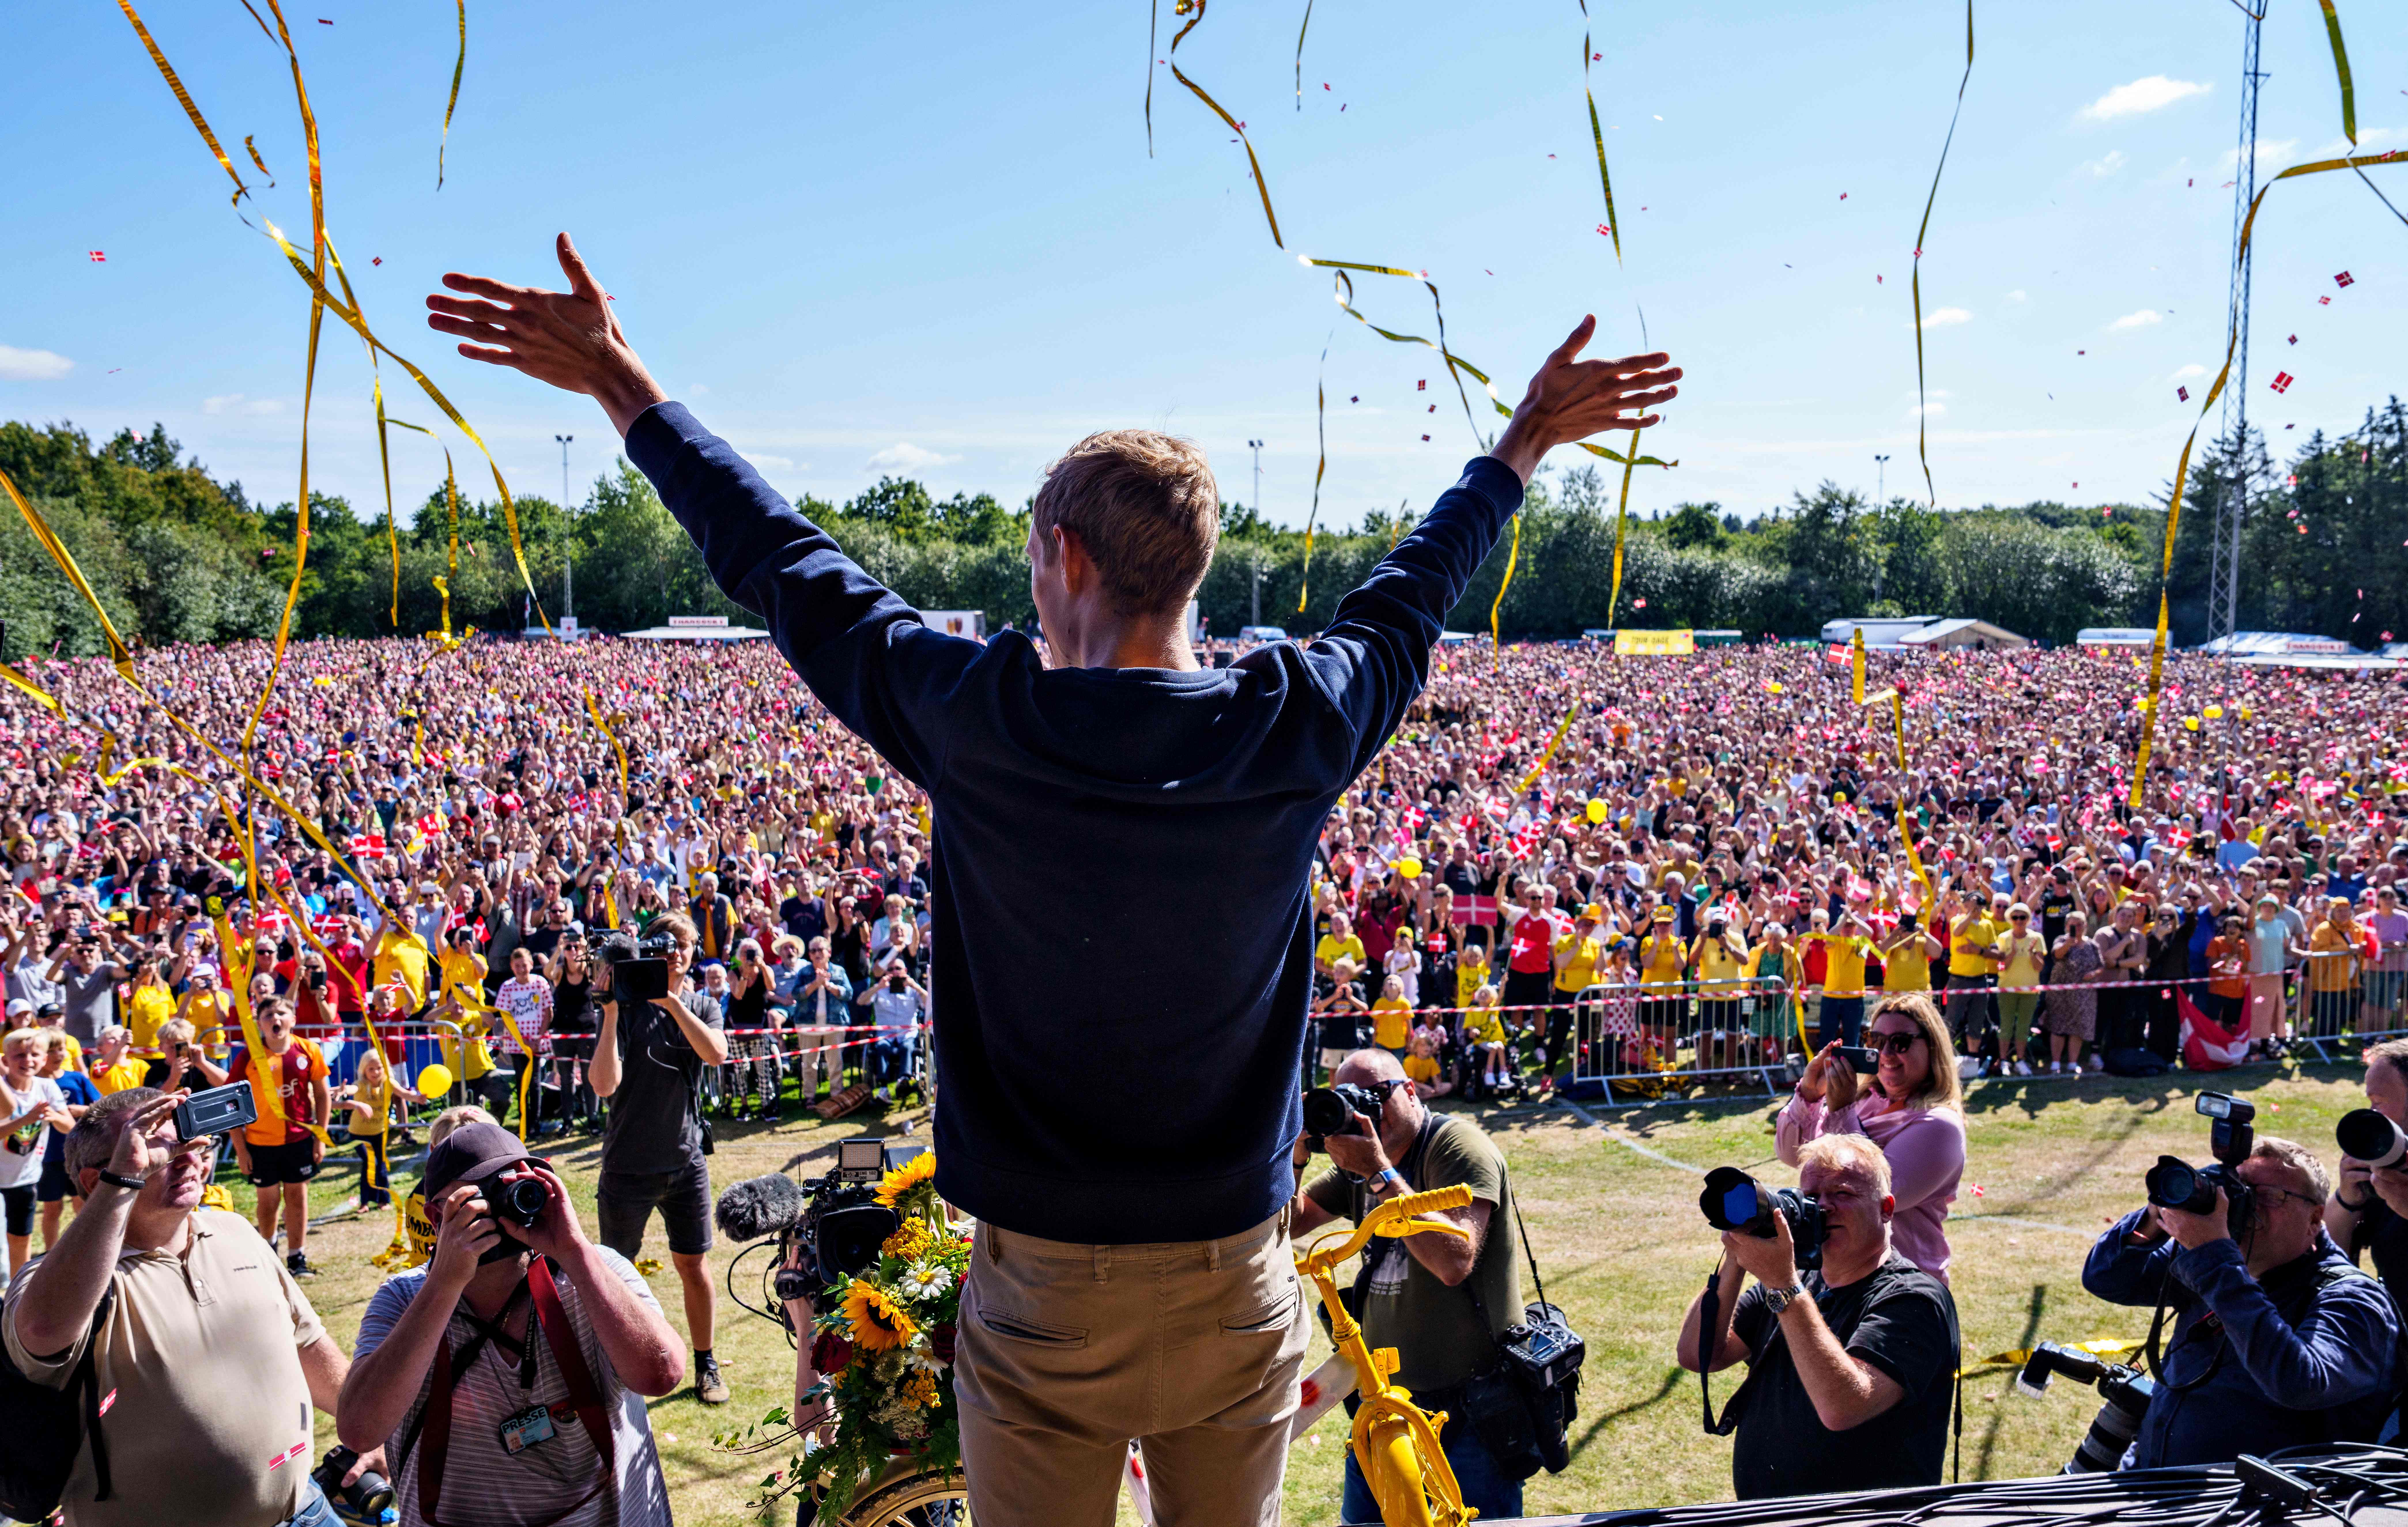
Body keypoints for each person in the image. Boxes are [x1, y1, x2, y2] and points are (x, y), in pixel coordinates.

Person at [425, 232, 1674, 1525]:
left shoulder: (984, 720)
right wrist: (1518, 443)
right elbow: (1410, 594)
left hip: (1042, 1286)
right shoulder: (1292, 719)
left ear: (1067, 557)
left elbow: (781, 562)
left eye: (1031, 556)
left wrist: (624, 384)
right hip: (1233, 1278)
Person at [3, 1087, 385, 1526]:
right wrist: (123, 1178)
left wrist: (369, 1432)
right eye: (155, 1148)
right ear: (97, 1181)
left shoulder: (234, 1231)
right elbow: (42, 1331)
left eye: (186, 1143)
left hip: (306, 1511)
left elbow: (306, 1344)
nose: (185, 1158)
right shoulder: (57, 1280)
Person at [335, 1120, 681, 1526]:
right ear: (436, 1216)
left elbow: (662, 1376)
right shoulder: (404, 1299)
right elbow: (359, 1430)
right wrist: (445, 1283)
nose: (506, 1207)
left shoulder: (594, 1271)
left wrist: (575, 1250)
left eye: (515, 1187)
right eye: (482, 1197)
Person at [1291, 1049, 1531, 1523]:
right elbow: (1290, 1222)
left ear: (1410, 1089)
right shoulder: (1360, 1162)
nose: (1363, 1113)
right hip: (1386, 1405)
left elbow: (1453, 1261)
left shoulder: (1457, 1148)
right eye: (1346, 1099)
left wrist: (1380, 1173)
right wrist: (1296, 1153)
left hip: (1471, 1410)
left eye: (1374, 1096)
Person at [2088, 1124, 2403, 1464]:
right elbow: (2106, 1277)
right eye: (2239, 1191)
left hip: (2253, 1509)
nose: (2244, 1206)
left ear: (2315, 1217)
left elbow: (2300, 1382)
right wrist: (2155, 1216)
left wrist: (2217, 1261)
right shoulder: (2213, 1262)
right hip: (2151, 1483)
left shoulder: (2353, 1300)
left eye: (2267, 1196)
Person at [1676, 1133, 1960, 1499]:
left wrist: (1783, 1284)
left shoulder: (1915, 1299)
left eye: (1842, 1194)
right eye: (1810, 1197)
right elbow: (1699, 1354)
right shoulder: (1798, 1283)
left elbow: (1842, 1407)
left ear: (1886, 1208)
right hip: (1770, 1514)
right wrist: (1739, 1252)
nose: (1823, 1208)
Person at [588, 911, 730, 1406]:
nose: (676, 952)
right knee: (616, 1273)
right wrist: (609, 1012)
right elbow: (604, 1085)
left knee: (694, 1266)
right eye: (666, 944)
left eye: (685, 944)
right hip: (627, 1165)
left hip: (685, 1160)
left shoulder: (701, 1003)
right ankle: (618, 1366)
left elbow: (715, 1054)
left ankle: (707, 1365)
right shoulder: (625, 1009)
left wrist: (671, 1002)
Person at [1777, 995, 1966, 1280]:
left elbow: (1873, 1195)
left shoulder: (1940, 1125)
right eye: (1876, 1040)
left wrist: (1841, 1111)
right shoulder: (1864, 1101)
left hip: (1904, 1283)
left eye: (1900, 1042)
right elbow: (1792, 1154)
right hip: (1838, 1276)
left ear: (1931, 1046)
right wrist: (1810, 1095)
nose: (1886, 1053)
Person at [228, 997, 333, 1281]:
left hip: (299, 1140)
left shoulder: (308, 1050)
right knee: (268, 1202)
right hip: (260, 1143)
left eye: (282, 1013)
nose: (276, 1019)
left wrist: (320, 1136)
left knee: (297, 1198)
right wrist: (240, 1149)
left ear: (293, 1019)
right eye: (268, 1015)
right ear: (259, 1023)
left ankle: (297, 1257)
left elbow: (323, 1095)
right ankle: (269, 1252)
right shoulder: (249, 1055)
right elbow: (232, 1104)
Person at [2327, 1037, 2408, 1317]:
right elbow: (2324, 1259)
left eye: (2379, 1103)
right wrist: (2347, 1199)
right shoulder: (2387, 1165)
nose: (2372, 1117)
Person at [1, 1026, 73, 1286]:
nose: (27, 1060)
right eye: (19, 1055)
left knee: (21, 1239)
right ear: (5, 1060)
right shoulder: (1, 1090)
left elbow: (70, 1128)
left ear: (44, 1060)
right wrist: (27, 1120)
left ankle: (16, 1293)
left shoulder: (47, 1087)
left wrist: (54, 1117)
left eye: (34, 1054)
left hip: (25, 1179)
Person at [36, 1027, 101, 1252]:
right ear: (41, 1054)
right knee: (52, 1209)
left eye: (61, 1049)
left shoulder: (76, 1079)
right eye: (52, 1050)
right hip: (48, 1156)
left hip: (79, 1154)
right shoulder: (33, 1084)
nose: (58, 1055)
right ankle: (50, 1253)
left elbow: (101, 1107)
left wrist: (81, 1110)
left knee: (82, 1204)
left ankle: (85, 1249)